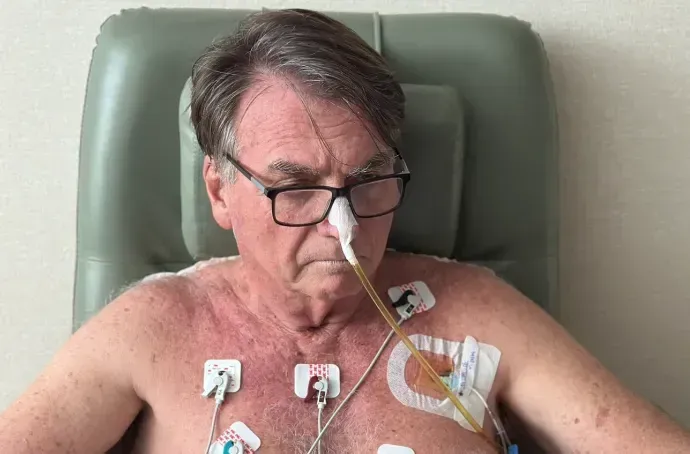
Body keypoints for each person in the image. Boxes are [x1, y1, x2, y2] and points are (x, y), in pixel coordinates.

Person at [1, 8, 689, 454]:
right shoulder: (152, 330)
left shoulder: (480, 317)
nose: (345, 226)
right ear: (220, 190)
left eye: (368, 180)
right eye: (296, 187)